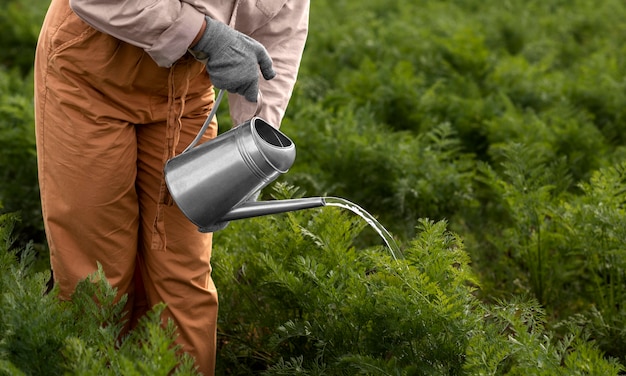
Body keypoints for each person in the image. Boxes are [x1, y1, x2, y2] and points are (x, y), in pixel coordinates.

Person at [34, 0, 310, 374]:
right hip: (91, 71)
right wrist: (205, 34)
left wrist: (253, 141)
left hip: (186, 92)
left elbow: (280, 34)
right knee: (96, 274)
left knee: (184, 275)